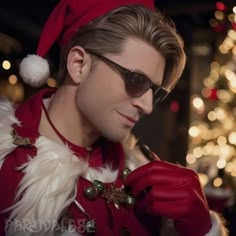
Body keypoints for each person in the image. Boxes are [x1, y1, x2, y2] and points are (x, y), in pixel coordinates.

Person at [0, 0, 228, 235]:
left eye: (155, 91)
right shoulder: (4, 158)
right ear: (79, 65)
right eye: (136, 81)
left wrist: (201, 229)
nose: (147, 106)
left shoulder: (142, 173)